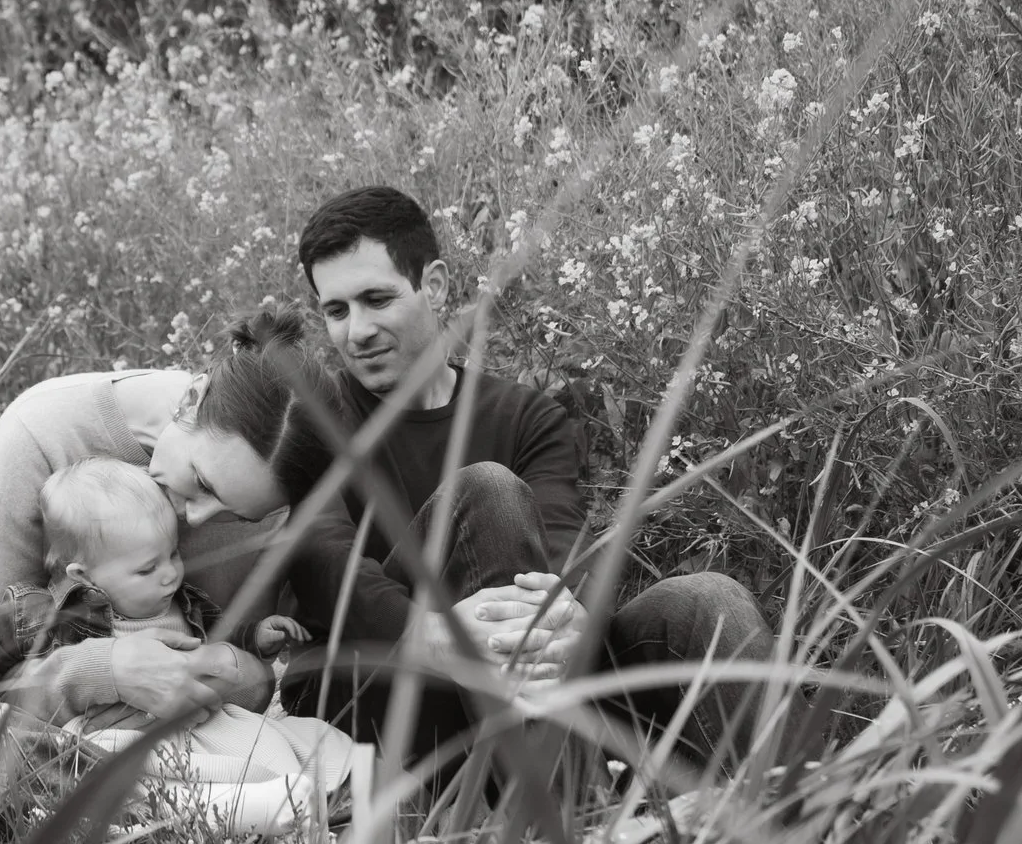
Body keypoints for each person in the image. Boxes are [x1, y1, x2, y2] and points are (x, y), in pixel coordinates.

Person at [251, 185, 771, 765]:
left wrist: (575, 617)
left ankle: (788, 809)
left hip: (535, 675)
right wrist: (433, 633)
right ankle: (563, 811)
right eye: (336, 311)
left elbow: (561, 551)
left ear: (435, 286)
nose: (357, 331)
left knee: (710, 602)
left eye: (377, 299)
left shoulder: (526, 417)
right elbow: (324, 562)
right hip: (379, 683)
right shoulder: (315, 419)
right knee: (488, 491)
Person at [0, 314, 334, 780]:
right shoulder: (40, 435)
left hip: (191, 747)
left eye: (239, 516)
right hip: (67, 737)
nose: (196, 520)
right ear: (191, 399)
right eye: (202, 483)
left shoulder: (274, 491)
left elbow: (254, 683)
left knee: (314, 747)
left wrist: (234, 666)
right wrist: (104, 671)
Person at [0, 458, 349, 816]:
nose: (170, 574)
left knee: (301, 741)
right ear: (84, 576)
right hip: (103, 746)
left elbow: (224, 641)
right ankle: (208, 812)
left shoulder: (185, 604)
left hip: (187, 741)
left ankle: (244, 805)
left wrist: (254, 640)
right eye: (147, 568)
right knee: (3, 744)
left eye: (174, 554)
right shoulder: (43, 611)